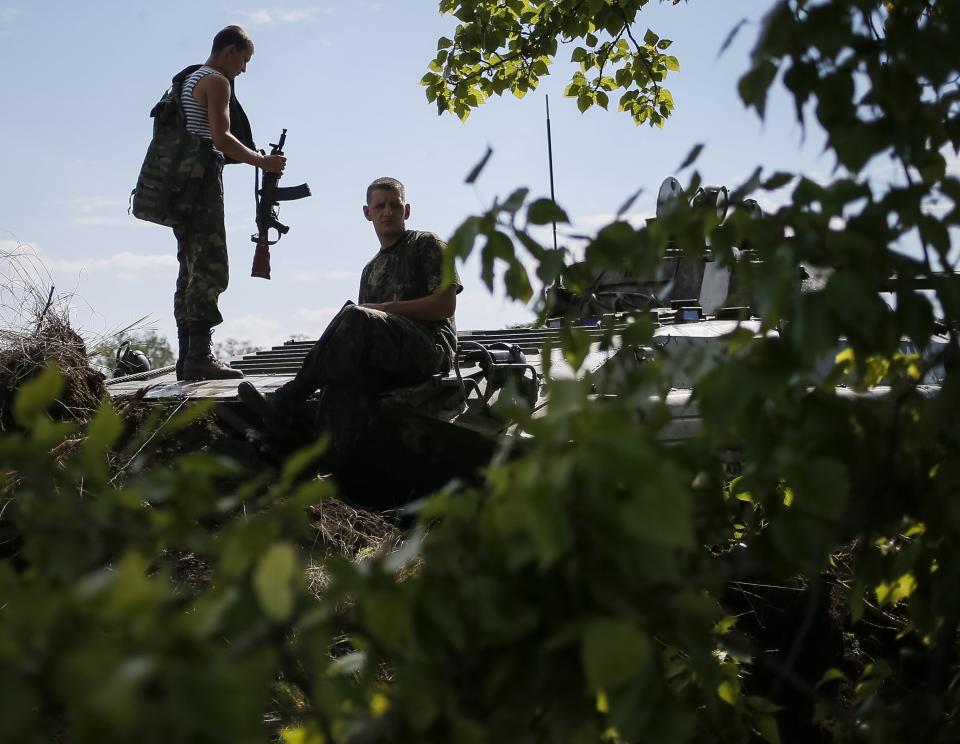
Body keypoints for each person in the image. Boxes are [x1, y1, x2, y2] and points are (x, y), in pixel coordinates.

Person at [238, 176, 461, 433]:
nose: (388, 212)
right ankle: (314, 452)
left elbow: (445, 306)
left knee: (355, 315)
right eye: (380, 207)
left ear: (406, 210)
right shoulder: (370, 270)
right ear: (367, 213)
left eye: (395, 205)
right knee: (342, 379)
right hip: (391, 359)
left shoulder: (426, 244)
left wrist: (386, 309)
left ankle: (289, 397)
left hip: (431, 350)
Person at [173, 25, 286, 381]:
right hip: (201, 184)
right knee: (209, 266)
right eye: (244, 60)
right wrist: (262, 161)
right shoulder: (216, 81)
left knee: (189, 269)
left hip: (180, 186)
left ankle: (187, 356)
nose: (244, 70)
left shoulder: (186, 79)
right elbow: (221, 139)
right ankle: (200, 357)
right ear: (230, 51)